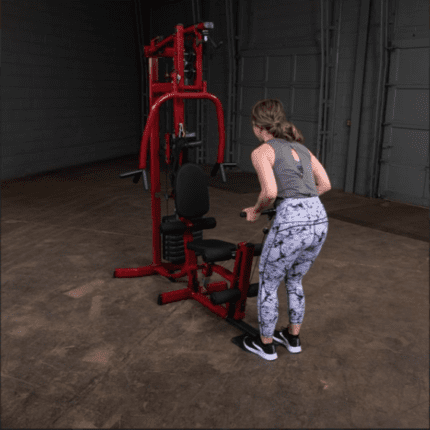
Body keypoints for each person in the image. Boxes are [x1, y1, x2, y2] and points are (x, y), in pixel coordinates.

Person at [240, 98, 331, 361]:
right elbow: (324, 184)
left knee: (269, 284)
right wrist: (300, 199)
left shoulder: (262, 152)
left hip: (291, 221)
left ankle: (266, 344)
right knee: (294, 279)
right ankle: (293, 338)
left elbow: (270, 192)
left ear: (258, 126)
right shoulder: (301, 149)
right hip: (318, 218)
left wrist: (256, 210)